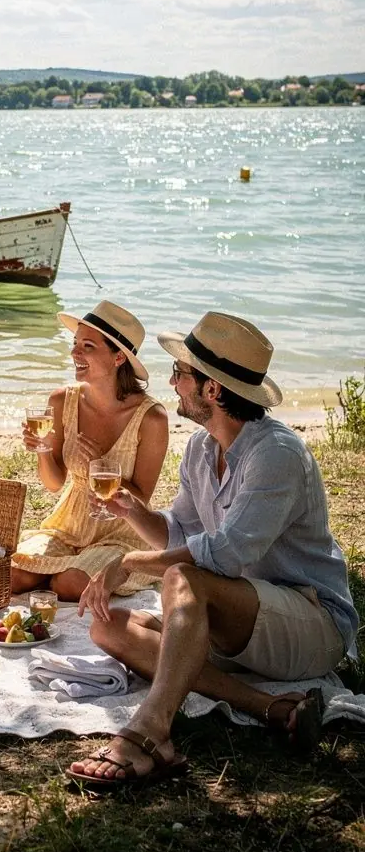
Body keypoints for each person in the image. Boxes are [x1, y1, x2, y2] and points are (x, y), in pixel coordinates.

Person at [69, 311, 359, 791]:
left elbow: (222, 555)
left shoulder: (277, 454)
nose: (172, 382)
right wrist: (132, 511)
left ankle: (151, 732)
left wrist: (128, 562)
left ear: (212, 389)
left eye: (180, 373)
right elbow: (181, 533)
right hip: (243, 621)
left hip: (310, 622)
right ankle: (269, 706)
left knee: (184, 580)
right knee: (108, 626)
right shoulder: (202, 449)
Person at [10, 301, 169, 601]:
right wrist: (42, 449)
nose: (75, 353)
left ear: (118, 357)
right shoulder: (62, 401)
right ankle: (57, 571)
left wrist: (101, 465)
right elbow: (54, 483)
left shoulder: (151, 418)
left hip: (120, 532)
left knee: (69, 584)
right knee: (14, 574)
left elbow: (141, 498)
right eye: (75, 344)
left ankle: (63, 574)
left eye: (87, 346)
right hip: (68, 526)